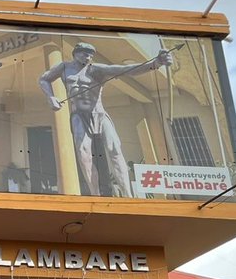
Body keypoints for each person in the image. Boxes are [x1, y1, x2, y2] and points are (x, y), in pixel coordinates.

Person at [39, 41, 174, 197]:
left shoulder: (96, 70)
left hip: (99, 114)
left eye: (91, 54)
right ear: (75, 53)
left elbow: (125, 70)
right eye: (84, 52)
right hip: (79, 115)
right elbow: (44, 79)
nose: (88, 56)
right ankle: (95, 195)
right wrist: (50, 97)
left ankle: (127, 195)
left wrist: (156, 63)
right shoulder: (64, 67)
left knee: (115, 150)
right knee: (84, 155)